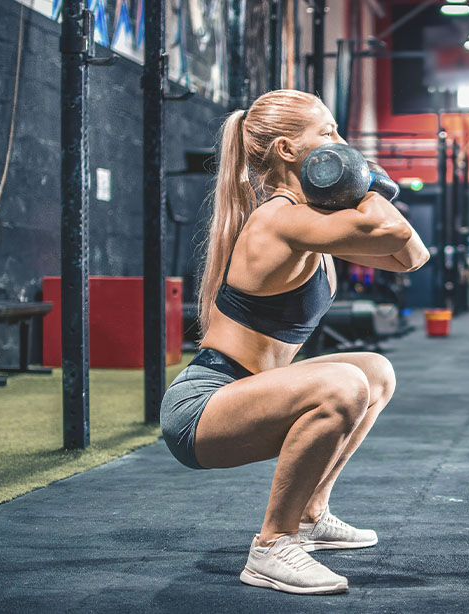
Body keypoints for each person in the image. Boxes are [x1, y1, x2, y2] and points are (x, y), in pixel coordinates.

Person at [159, 89, 429, 596]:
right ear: (288, 150)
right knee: (342, 384)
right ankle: (271, 546)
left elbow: (410, 255)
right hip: (202, 407)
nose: (342, 143)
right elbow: (386, 224)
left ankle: (309, 515)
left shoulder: (312, 221)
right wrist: (369, 182)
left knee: (375, 371)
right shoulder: (280, 218)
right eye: (329, 133)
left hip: (247, 396)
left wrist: (360, 188)